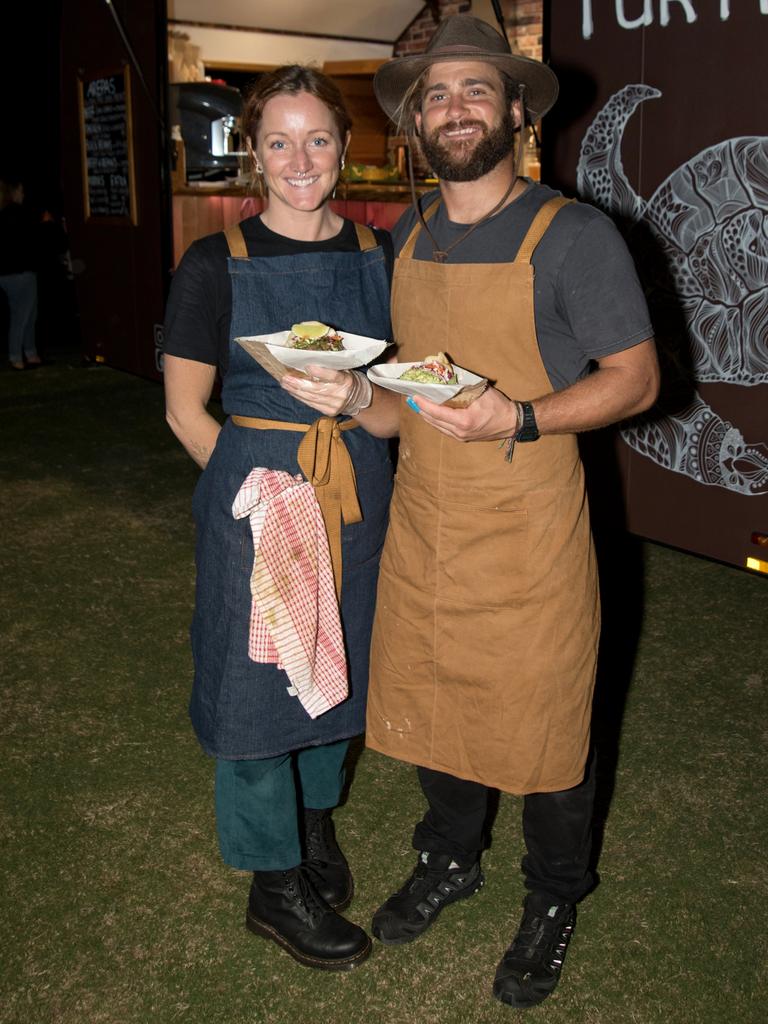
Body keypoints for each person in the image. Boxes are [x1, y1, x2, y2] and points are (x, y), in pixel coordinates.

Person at [360, 15, 661, 1010]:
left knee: (543, 724)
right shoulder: (403, 236)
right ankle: (450, 856)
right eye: (436, 95)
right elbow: (407, 406)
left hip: (530, 525)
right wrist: (353, 399)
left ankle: (555, 894)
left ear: (516, 110)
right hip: (428, 520)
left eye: (476, 91)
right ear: (414, 121)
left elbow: (636, 379)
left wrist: (521, 412)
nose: (455, 108)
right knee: (440, 695)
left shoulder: (572, 235)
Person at [163, 65, 400, 972]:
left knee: (339, 664)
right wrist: (255, 497)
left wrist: (360, 405)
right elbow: (188, 411)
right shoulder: (214, 262)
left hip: (359, 491)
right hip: (260, 497)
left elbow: (397, 397)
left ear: (344, 147)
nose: (299, 159)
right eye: (278, 141)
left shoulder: (380, 256)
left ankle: (311, 825)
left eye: (318, 139)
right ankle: (273, 885)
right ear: (251, 152)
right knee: (259, 679)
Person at [0, 175, 41, 370]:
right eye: (22, 191)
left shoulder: (4, 214)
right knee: (22, 316)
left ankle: (31, 354)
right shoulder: (19, 214)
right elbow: (32, 240)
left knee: (29, 314)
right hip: (21, 272)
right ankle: (16, 356)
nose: (24, 194)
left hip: (7, 273)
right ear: (15, 192)